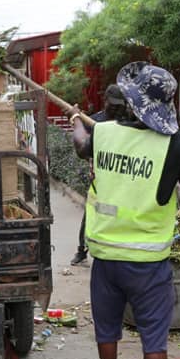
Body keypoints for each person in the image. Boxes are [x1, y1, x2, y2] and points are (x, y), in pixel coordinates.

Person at [70, 62, 180, 359]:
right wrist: (173, 187)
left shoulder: (105, 134)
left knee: (107, 329)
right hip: (147, 263)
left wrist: (77, 124)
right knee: (153, 338)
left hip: (105, 259)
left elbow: (81, 144)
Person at [71, 85, 128, 265]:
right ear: (105, 102)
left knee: (119, 216)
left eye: (120, 105)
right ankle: (82, 250)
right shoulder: (94, 121)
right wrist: (78, 119)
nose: (117, 109)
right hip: (100, 181)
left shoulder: (127, 121)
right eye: (113, 105)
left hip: (124, 180)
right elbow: (83, 148)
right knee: (91, 215)